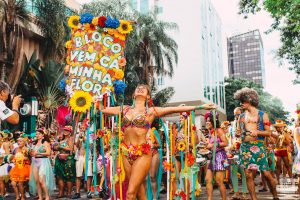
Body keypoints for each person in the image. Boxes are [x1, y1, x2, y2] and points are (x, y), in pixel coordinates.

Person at [102, 84, 215, 200]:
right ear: (133, 95)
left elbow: (173, 109)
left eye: (143, 89)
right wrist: (97, 99)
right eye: (138, 88)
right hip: (126, 154)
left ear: (148, 96)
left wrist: (201, 106)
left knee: (130, 194)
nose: (140, 89)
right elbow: (103, 109)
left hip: (142, 155)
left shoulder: (151, 111)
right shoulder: (124, 109)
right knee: (139, 193)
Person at [234, 87, 278, 200]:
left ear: (249, 100)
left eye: (242, 101)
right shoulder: (241, 117)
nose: (241, 104)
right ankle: (254, 199)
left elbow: (268, 132)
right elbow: (238, 131)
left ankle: (275, 196)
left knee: (266, 174)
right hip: (245, 147)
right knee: (248, 174)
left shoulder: (263, 115)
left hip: (259, 146)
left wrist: (257, 132)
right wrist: (238, 133)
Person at [204, 111, 228, 200]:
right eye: (206, 120)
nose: (207, 122)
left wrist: (214, 145)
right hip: (213, 157)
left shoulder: (219, 130)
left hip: (221, 156)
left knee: (219, 181)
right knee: (208, 179)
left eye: (209, 121)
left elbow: (226, 143)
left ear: (214, 121)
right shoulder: (211, 132)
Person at [228, 107, 249, 200]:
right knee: (233, 171)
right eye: (235, 114)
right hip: (234, 150)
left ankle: (244, 192)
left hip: (243, 149)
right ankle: (236, 192)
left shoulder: (246, 123)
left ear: (242, 114)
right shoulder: (232, 125)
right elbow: (230, 138)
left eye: (238, 114)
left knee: (244, 172)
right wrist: (230, 148)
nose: (236, 116)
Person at [29, 128, 54, 200]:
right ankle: (40, 197)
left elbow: (48, 153)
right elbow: (32, 153)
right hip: (35, 162)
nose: (37, 135)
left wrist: (38, 153)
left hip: (43, 162)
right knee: (36, 181)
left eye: (39, 134)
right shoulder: (34, 143)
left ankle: (47, 197)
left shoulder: (45, 142)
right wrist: (31, 153)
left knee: (41, 181)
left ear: (43, 134)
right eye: (36, 134)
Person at [54, 125, 76, 198]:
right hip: (60, 159)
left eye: (67, 130)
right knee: (60, 176)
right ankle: (61, 192)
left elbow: (70, 149)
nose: (65, 132)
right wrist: (56, 147)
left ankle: (69, 193)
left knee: (68, 176)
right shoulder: (61, 139)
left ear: (70, 132)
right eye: (64, 130)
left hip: (68, 160)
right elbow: (56, 148)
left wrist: (60, 147)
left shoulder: (71, 139)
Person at [72, 124, 93, 199]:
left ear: (86, 128)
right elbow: (77, 146)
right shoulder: (77, 135)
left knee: (88, 175)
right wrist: (79, 139)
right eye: (81, 128)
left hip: (87, 157)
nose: (82, 129)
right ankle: (77, 192)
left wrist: (84, 138)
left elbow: (90, 146)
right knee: (78, 175)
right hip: (79, 157)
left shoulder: (90, 136)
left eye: (83, 128)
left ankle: (88, 192)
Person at [273, 120, 293, 184]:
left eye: (281, 127)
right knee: (277, 166)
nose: (280, 128)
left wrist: (281, 138)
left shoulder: (286, 134)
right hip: (277, 150)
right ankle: (278, 180)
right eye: (278, 127)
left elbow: (288, 143)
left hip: (284, 150)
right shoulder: (273, 133)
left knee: (287, 165)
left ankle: (291, 180)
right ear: (276, 128)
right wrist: (276, 138)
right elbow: (272, 143)